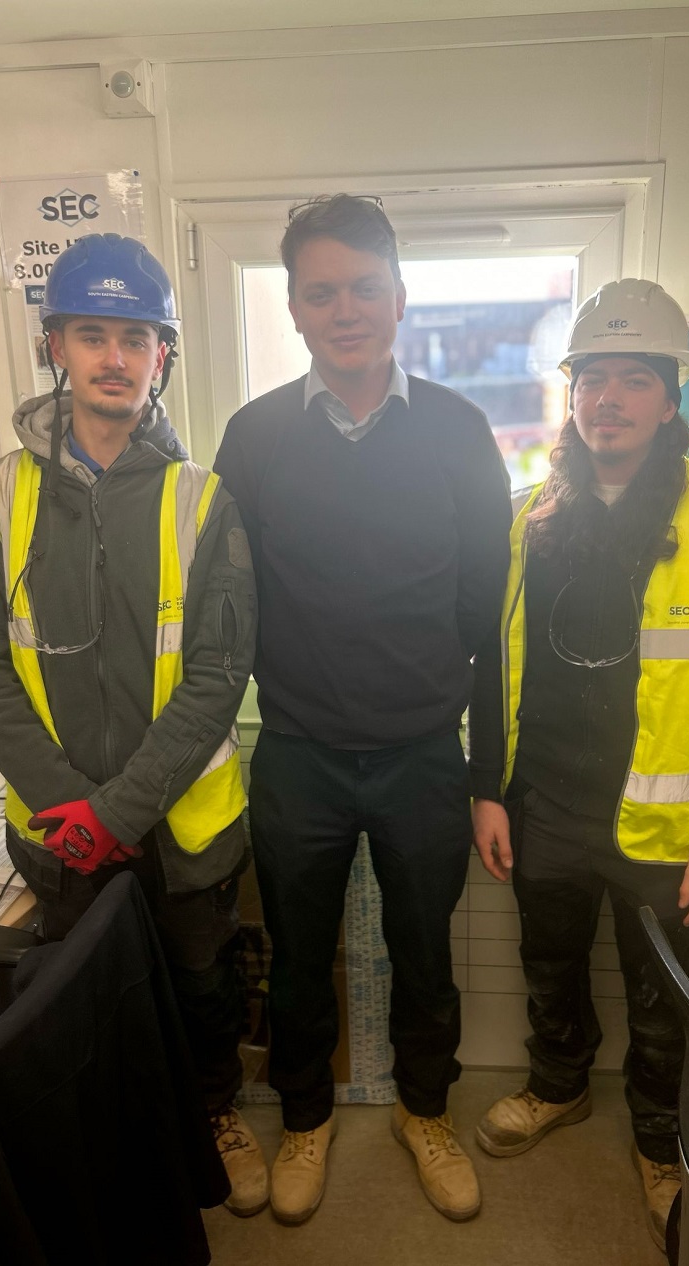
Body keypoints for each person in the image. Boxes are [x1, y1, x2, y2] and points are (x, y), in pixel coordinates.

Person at [0, 233, 269, 1218]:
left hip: (185, 829)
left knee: (200, 991)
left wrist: (120, 806)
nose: (115, 357)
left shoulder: (202, 498)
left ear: (161, 355)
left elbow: (218, 672)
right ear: (57, 348)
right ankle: (116, 1143)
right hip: (58, 831)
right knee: (82, 1004)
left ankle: (213, 1115)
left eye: (137, 338)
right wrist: (60, 800)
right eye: (94, 335)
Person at [214, 194, 512, 1224]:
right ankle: (304, 1120)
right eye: (321, 292)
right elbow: (228, 601)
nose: (345, 310)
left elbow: (486, 607)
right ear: (293, 309)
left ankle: (422, 1112)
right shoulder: (252, 440)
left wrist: (481, 776)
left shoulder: (460, 431)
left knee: (422, 951)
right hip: (296, 753)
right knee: (299, 959)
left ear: (399, 299)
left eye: (365, 289)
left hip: (424, 753)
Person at [468, 278, 689, 1249]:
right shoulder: (528, 517)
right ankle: (555, 1085)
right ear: (571, 395)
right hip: (543, 803)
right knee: (547, 966)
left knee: (661, 999)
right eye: (591, 378)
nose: (607, 399)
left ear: (668, 398)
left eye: (631, 379)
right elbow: (491, 661)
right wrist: (486, 790)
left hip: (661, 823)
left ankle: (656, 1139)